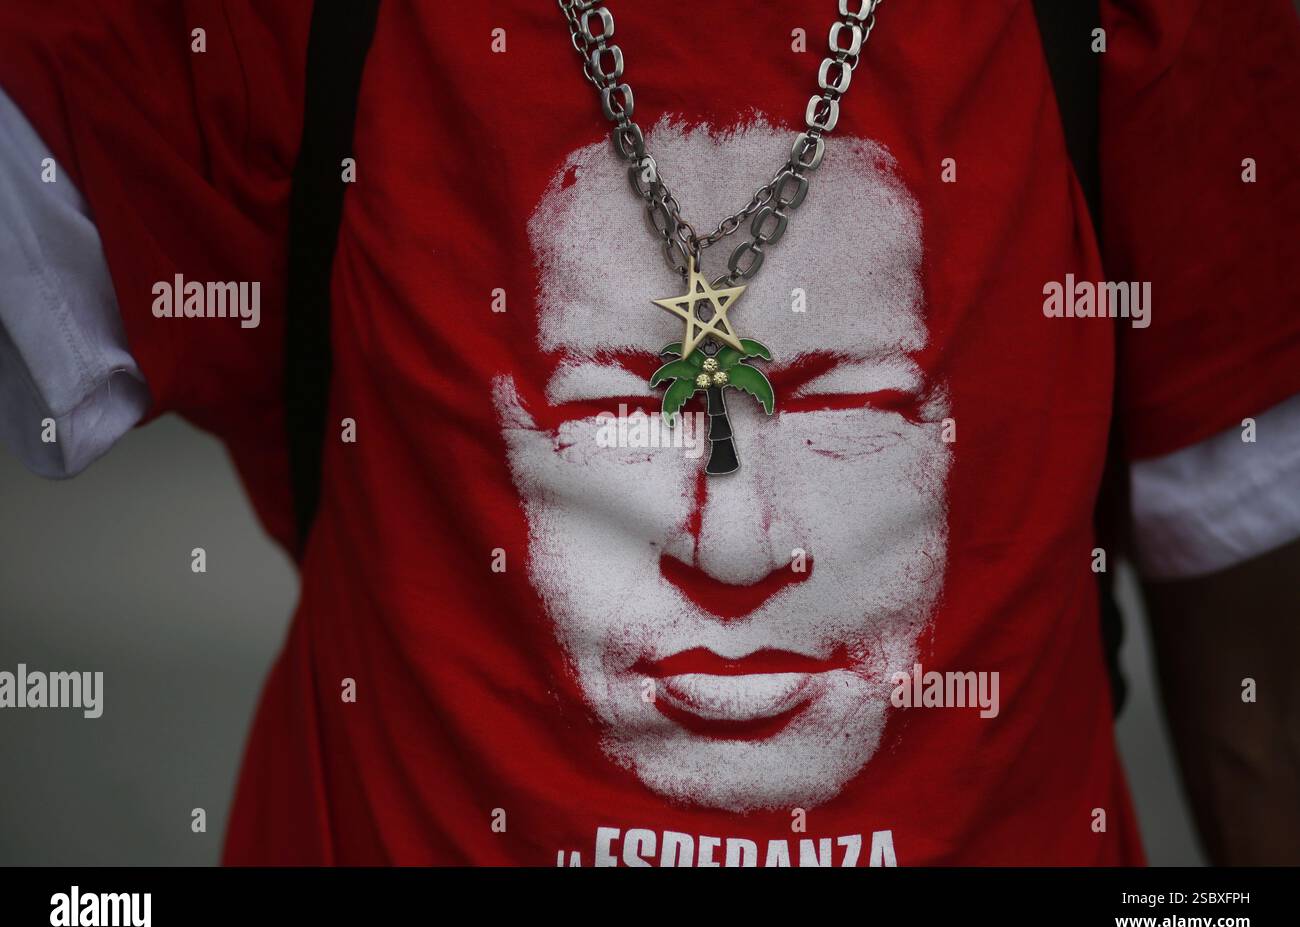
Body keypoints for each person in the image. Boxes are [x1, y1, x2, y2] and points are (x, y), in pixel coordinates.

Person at [0, 0, 1296, 865]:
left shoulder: (1164, 34)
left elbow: (1263, 711)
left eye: (845, 407)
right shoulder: (261, 30)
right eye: (622, 407)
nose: (732, 552)